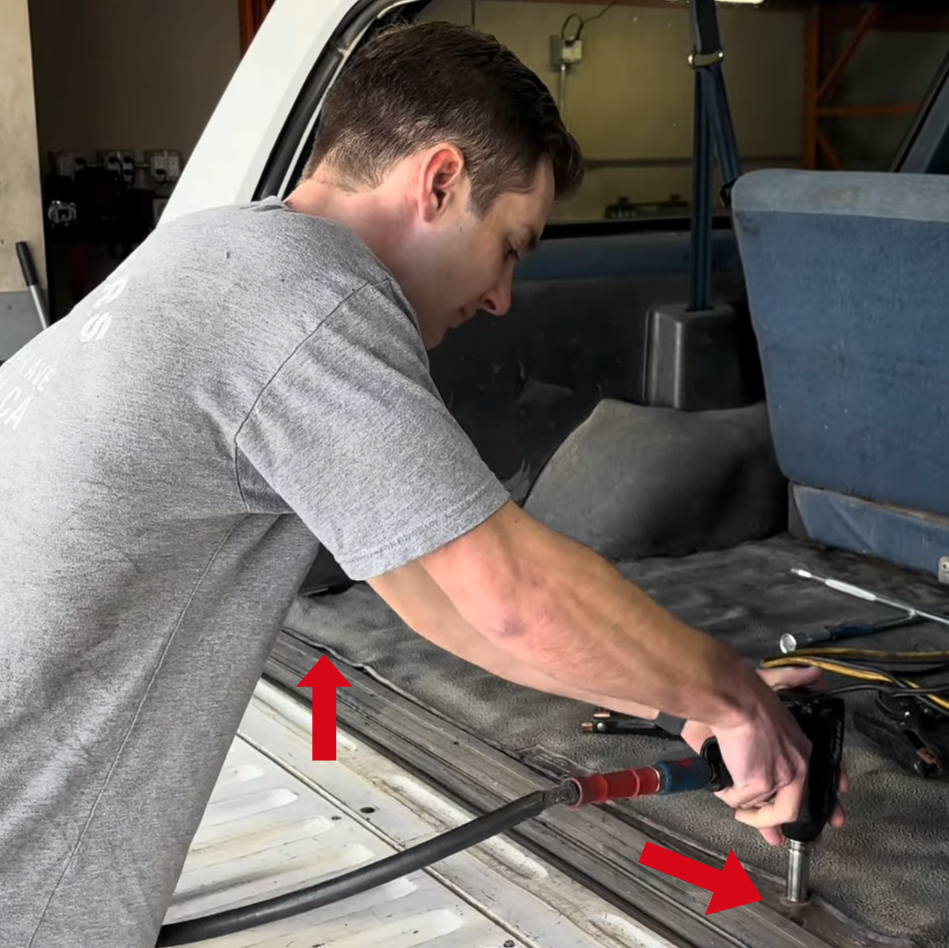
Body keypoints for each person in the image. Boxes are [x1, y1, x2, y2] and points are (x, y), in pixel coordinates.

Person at [0, 20, 844, 948]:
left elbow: (446, 604)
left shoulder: (218, 254)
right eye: (511, 245)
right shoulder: (307, 299)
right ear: (439, 181)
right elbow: (513, 598)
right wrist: (736, 701)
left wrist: (685, 698)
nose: (502, 298)